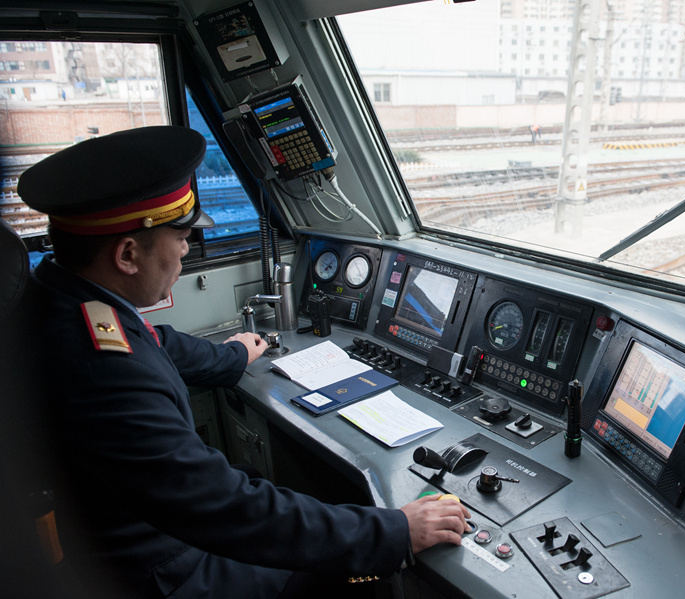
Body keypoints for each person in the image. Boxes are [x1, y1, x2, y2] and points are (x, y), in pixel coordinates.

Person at [15, 126, 470, 598]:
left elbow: (153, 341)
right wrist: (392, 532)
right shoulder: (102, 368)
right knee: (366, 581)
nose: (187, 250)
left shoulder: (59, 298)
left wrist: (233, 355)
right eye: (182, 237)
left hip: (135, 542)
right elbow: (223, 506)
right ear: (128, 254)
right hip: (168, 574)